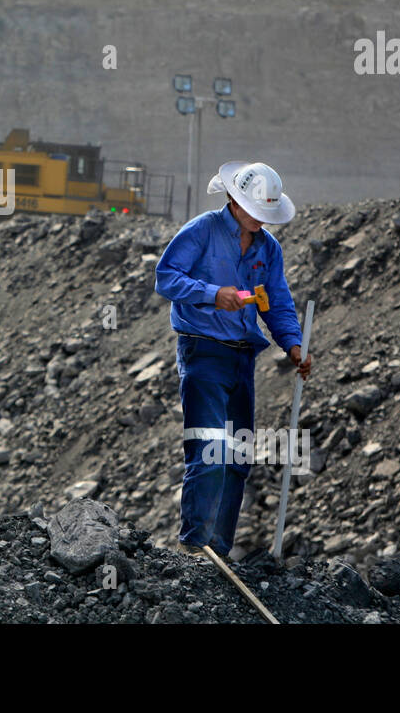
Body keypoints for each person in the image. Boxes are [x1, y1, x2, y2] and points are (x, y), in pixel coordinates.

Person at [153, 161, 313, 557]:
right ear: (234, 201)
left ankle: (218, 551)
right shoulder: (202, 230)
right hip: (203, 350)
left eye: (266, 214)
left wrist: (293, 345)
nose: (261, 220)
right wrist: (212, 293)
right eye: (255, 211)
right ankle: (195, 547)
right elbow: (166, 277)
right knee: (210, 449)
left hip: (242, 357)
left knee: (237, 456)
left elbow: (275, 302)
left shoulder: (268, 248)